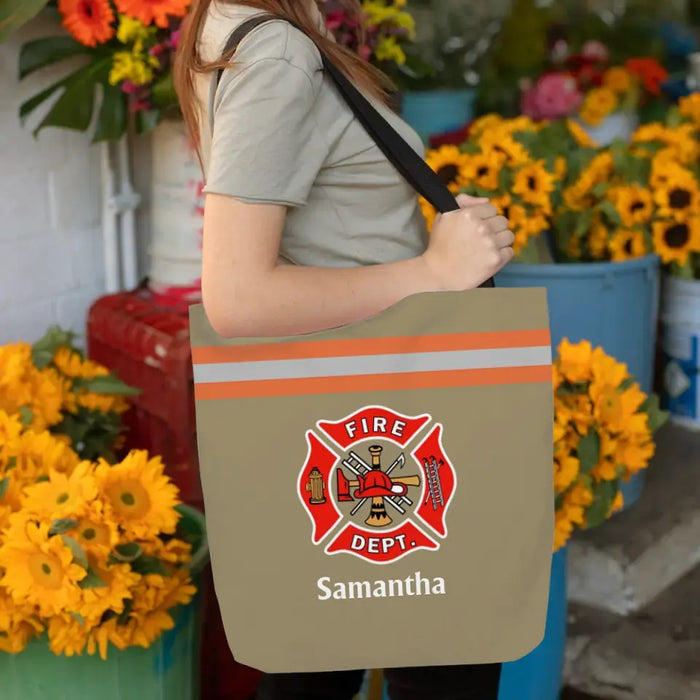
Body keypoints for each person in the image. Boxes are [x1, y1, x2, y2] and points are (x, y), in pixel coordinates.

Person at [174, 2, 514, 699]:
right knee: (437, 665)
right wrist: (434, 273)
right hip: (388, 413)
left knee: (318, 669)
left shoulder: (246, 29)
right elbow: (236, 298)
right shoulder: (277, 52)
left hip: (344, 415)